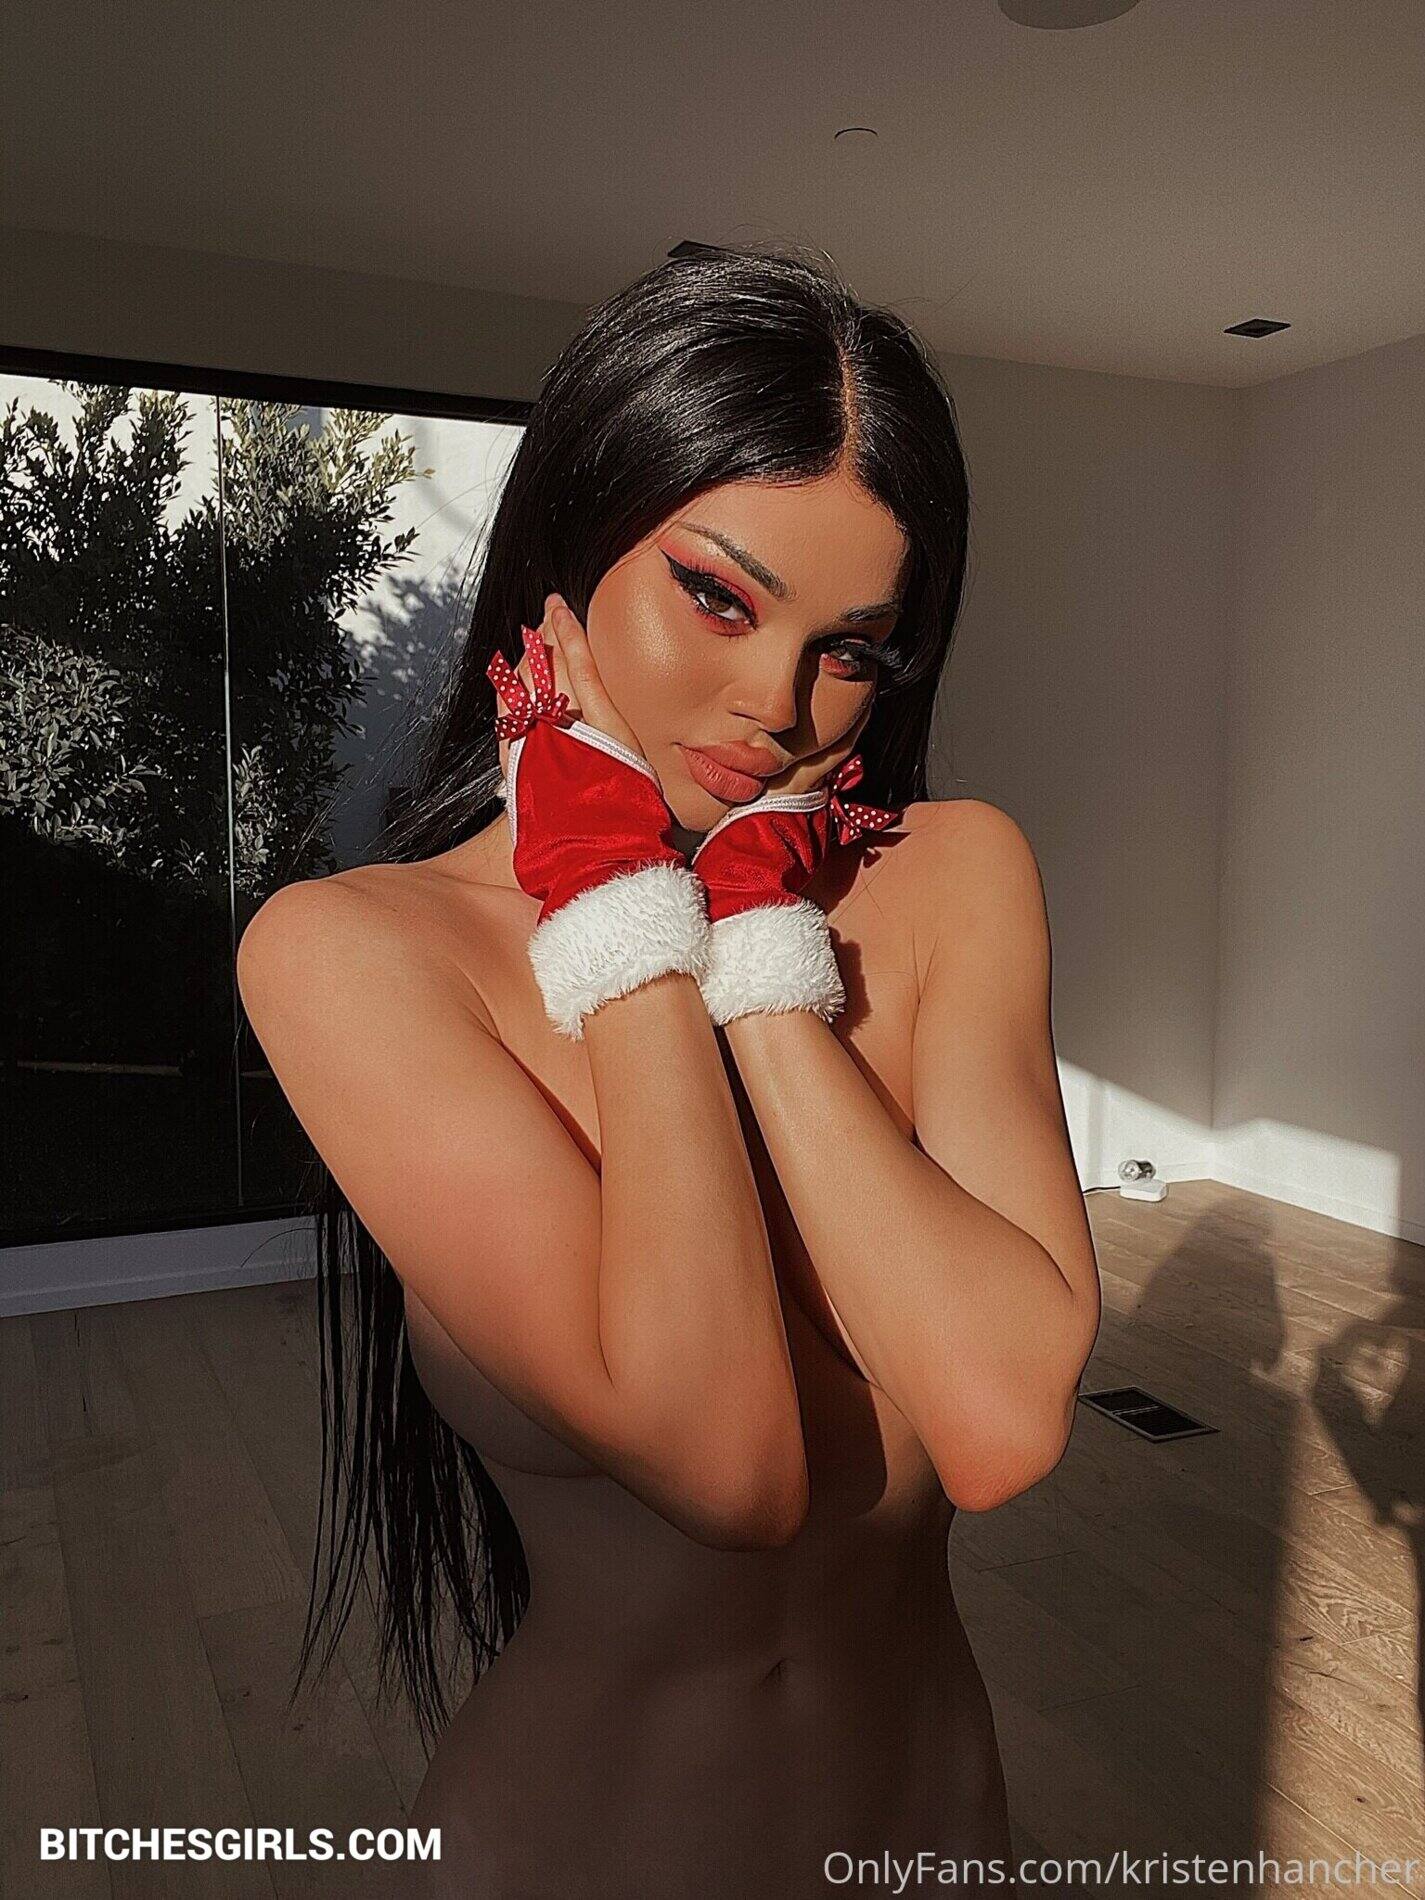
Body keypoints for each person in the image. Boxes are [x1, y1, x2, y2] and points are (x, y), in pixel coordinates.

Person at [236, 243, 1102, 1898]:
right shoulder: (354, 953)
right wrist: (622, 915)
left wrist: (763, 962)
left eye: (852, 649)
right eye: (716, 594)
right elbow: (726, 1466)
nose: (775, 703)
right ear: (565, 564)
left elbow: (997, 1422)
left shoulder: (952, 873)